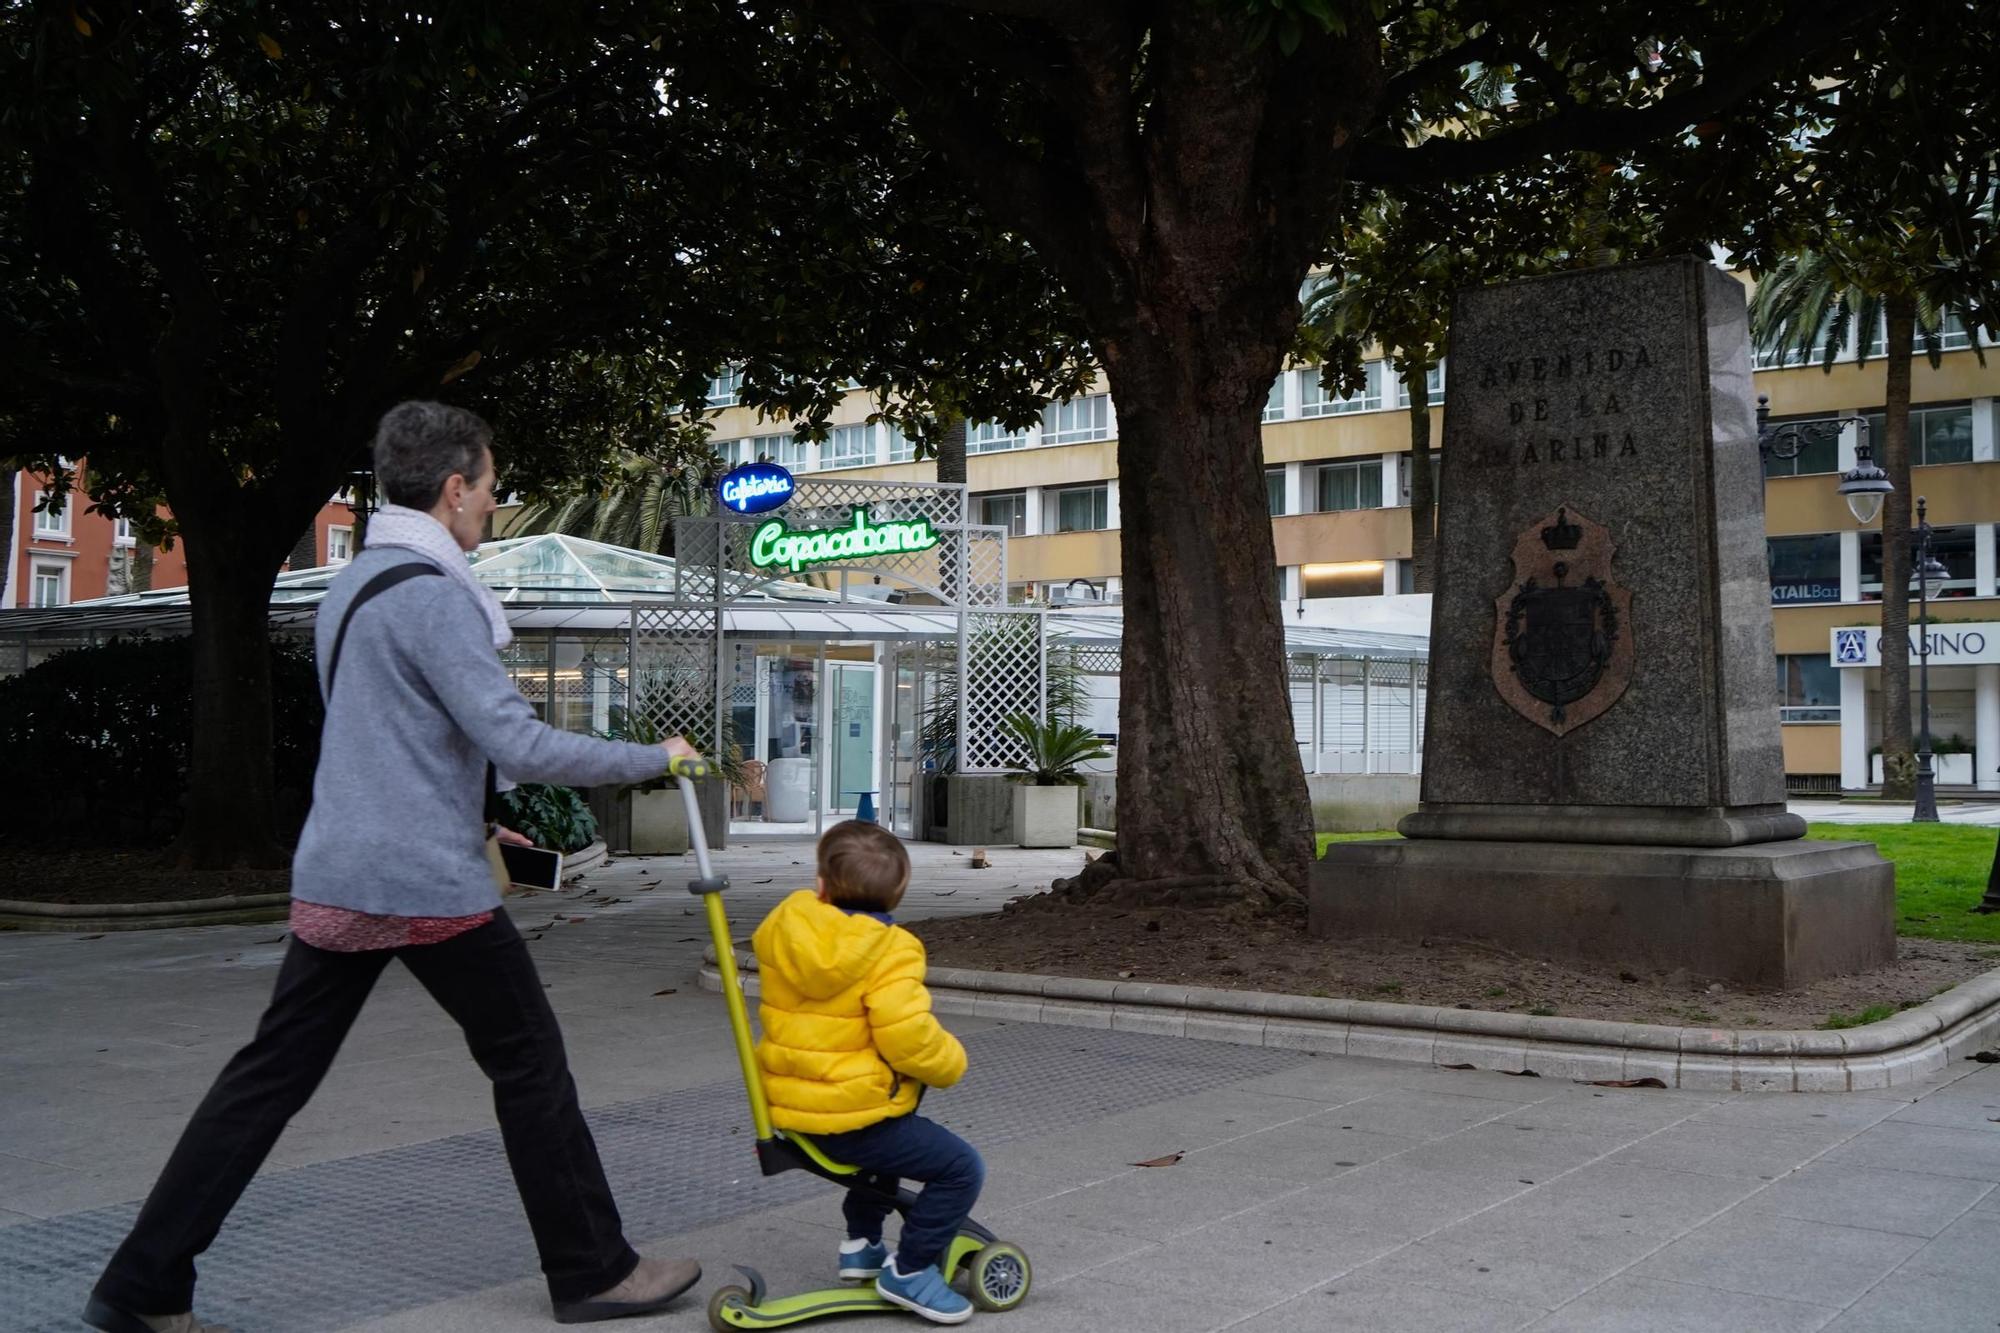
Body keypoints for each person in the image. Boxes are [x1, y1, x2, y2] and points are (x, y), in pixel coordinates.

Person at [86, 402, 702, 1333]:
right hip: (422, 882)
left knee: (267, 1078)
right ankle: (592, 1269)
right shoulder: (434, 593)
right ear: (454, 489)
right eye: (490, 488)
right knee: (529, 1061)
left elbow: (404, 741)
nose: (494, 506)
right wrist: (655, 758)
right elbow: (515, 739)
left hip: (340, 868)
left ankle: (141, 1285)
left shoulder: (357, 582)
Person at [750, 821, 981, 1325]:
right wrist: (950, 1062)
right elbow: (907, 1038)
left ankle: (863, 1246)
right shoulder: (890, 948)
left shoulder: (786, 929)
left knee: (886, 1131)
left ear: (820, 885)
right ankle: (913, 1271)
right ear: (898, 892)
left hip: (794, 1110)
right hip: (853, 1121)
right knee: (960, 1168)